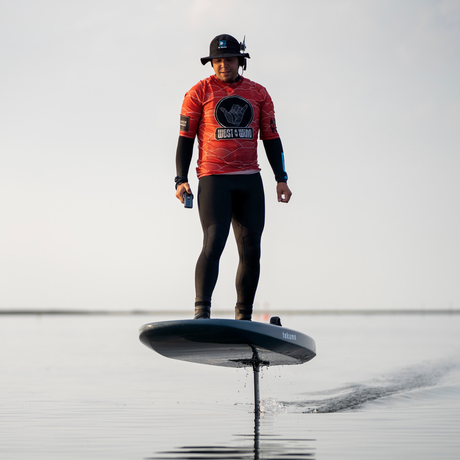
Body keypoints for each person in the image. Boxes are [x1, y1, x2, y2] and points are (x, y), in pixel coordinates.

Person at [174, 34, 292, 321]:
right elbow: (185, 139)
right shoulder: (198, 92)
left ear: (240, 61)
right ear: (211, 63)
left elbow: (272, 138)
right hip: (214, 179)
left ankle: (244, 318)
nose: (223, 65)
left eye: (229, 60)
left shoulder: (259, 93)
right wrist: (180, 179)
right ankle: (202, 312)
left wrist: (281, 177)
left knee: (251, 250)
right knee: (214, 241)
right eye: (217, 61)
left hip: (249, 180)